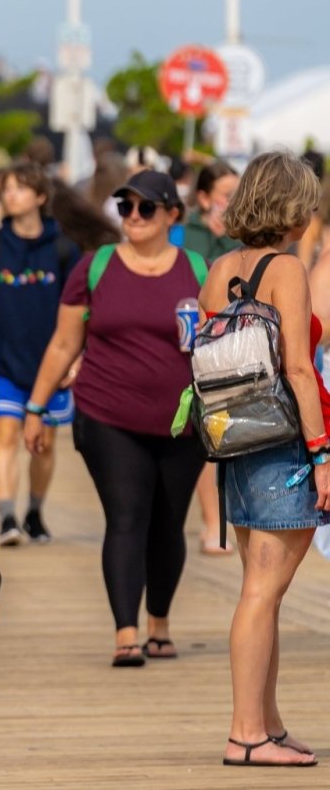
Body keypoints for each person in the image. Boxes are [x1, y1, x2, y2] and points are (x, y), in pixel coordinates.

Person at [24, 169, 206, 667]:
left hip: (182, 422)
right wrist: (36, 409)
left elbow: (218, 343)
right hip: (107, 415)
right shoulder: (95, 266)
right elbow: (64, 343)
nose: (134, 217)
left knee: (167, 524)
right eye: (125, 207)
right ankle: (126, 632)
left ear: (173, 214)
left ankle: (159, 623)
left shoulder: (198, 269)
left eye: (146, 207)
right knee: (126, 517)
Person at [201, 152, 329, 768]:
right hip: (283, 444)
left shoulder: (220, 267)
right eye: (307, 203)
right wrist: (323, 451)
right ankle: (245, 733)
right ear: (292, 208)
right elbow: (300, 369)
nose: (312, 214)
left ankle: (268, 723)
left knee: (263, 592)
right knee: (260, 593)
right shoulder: (288, 270)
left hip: (234, 441)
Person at [0, 161, 80, 546]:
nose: (10, 195)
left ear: (40, 196)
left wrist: (76, 357)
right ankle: (7, 519)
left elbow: (78, 310)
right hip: (3, 362)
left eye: (20, 188)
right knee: (6, 435)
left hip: (50, 365)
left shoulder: (64, 249)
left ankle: (35, 512)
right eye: (6, 188)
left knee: (44, 443)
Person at [181, 159, 241, 555]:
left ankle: (232, 521)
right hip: (196, 342)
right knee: (210, 433)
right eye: (226, 195)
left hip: (241, 345)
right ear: (203, 198)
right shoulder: (184, 235)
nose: (234, 202)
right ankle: (210, 523)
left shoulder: (246, 236)